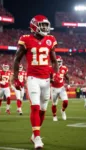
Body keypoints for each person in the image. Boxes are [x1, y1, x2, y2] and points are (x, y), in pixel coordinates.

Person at [13, 15, 59, 149]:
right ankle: (37, 137)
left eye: (46, 25)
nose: (45, 28)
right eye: (42, 25)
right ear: (34, 26)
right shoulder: (25, 39)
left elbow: (54, 61)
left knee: (43, 110)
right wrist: (16, 78)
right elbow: (17, 59)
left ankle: (34, 134)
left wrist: (55, 73)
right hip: (32, 78)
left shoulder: (50, 39)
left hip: (46, 79)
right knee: (35, 107)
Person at [50, 55, 70, 121]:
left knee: (66, 102)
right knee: (54, 104)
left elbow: (67, 77)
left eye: (59, 61)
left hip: (61, 87)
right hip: (53, 88)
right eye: (57, 61)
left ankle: (63, 110)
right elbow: (48, 78)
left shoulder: (64, 68)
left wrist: (68, 84)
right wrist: (51, 80)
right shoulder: (51, 68)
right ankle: (54, 116)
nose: (58, 63)